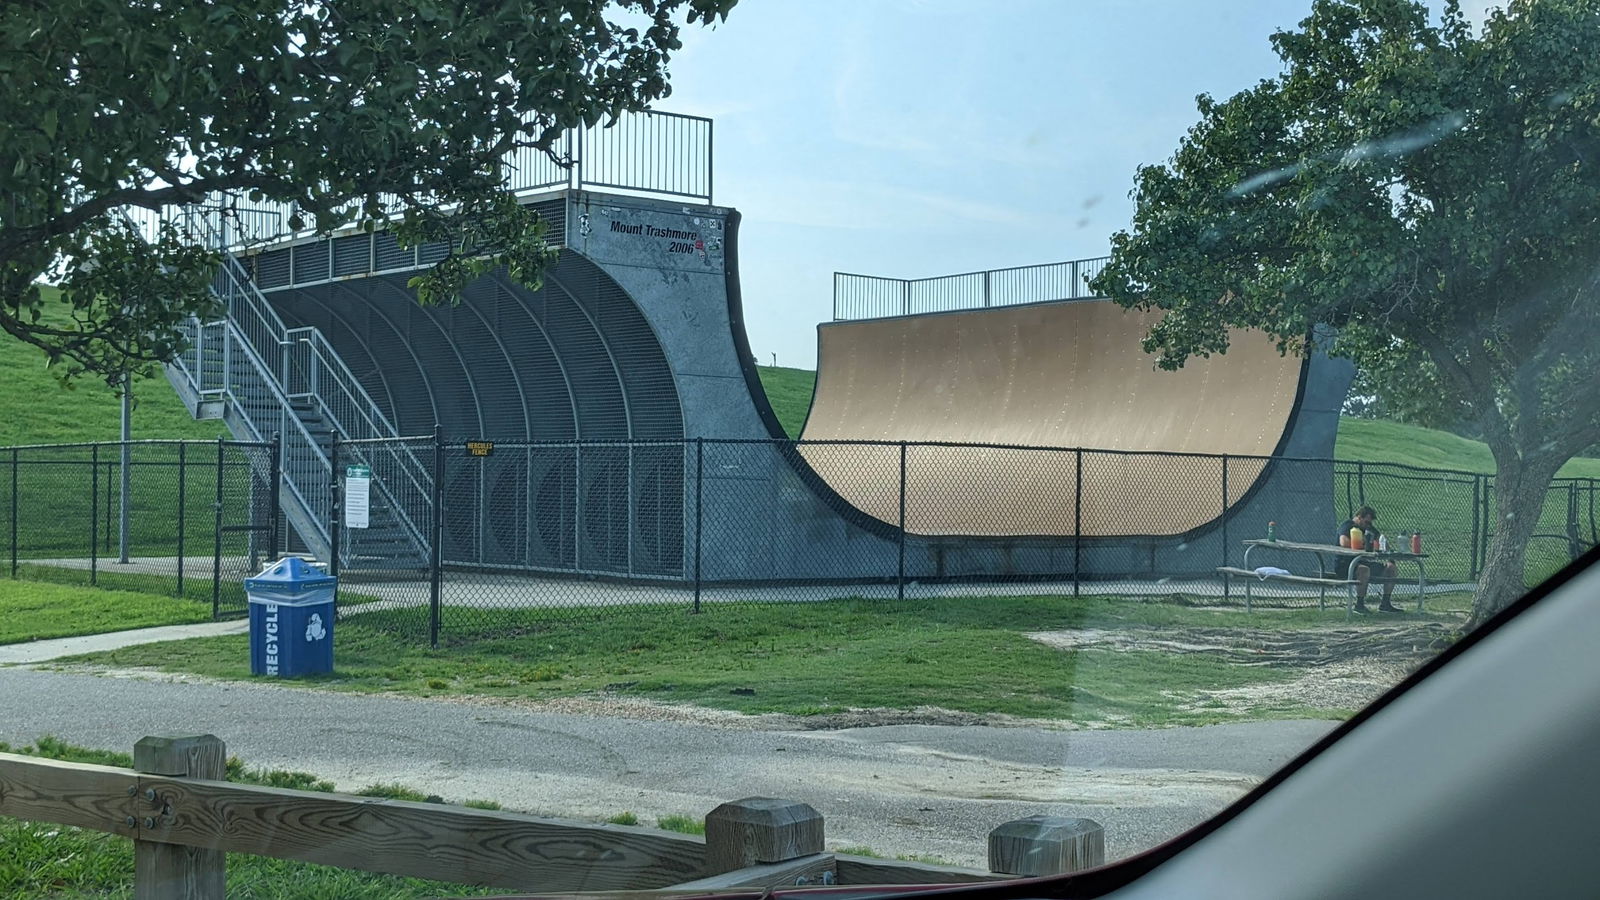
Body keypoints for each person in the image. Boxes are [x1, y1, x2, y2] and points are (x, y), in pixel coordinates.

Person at [1336, 506, 1401, 614]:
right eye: (1366, 522)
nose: (1368, 525)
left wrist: (1389, 557)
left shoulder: (1368, 528)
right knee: (1364, 570)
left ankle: (1385, 604)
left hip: (1364, 562)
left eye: (1369, 523)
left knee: (1391, 568)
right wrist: (1363, 544)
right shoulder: (1347, 526)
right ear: (1359, 517)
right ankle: (1359, 605)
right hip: (1346, 565)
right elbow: (1344, 542)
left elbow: (1382, 540)